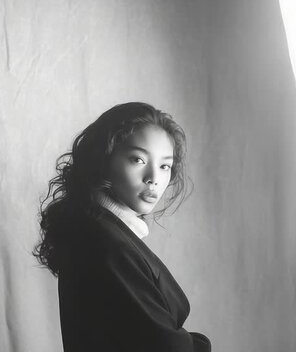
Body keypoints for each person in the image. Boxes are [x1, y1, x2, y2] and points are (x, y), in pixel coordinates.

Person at [34, 102, 211, 352]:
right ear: (104, 160)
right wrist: (200, 344)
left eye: (164, 166)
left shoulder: (99, 230)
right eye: (137, 159)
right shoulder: (106, 243)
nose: (154, 178)